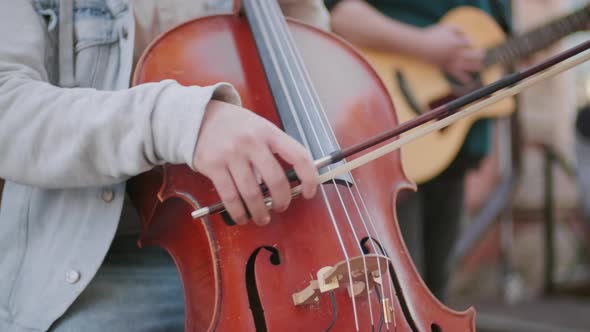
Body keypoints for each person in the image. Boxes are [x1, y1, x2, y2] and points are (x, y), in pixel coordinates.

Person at [0, 1, 329, 331]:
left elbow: (324, 86)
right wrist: (184, 121)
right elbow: (8, 110)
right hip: (95, 267)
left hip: (264, 246)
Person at [327, 0, 512, 301]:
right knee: (398, 291)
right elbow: (335, 13)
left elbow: (501, 45)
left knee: (435, 293)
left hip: (453, 146)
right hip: (387, 133)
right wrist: (425, 46)